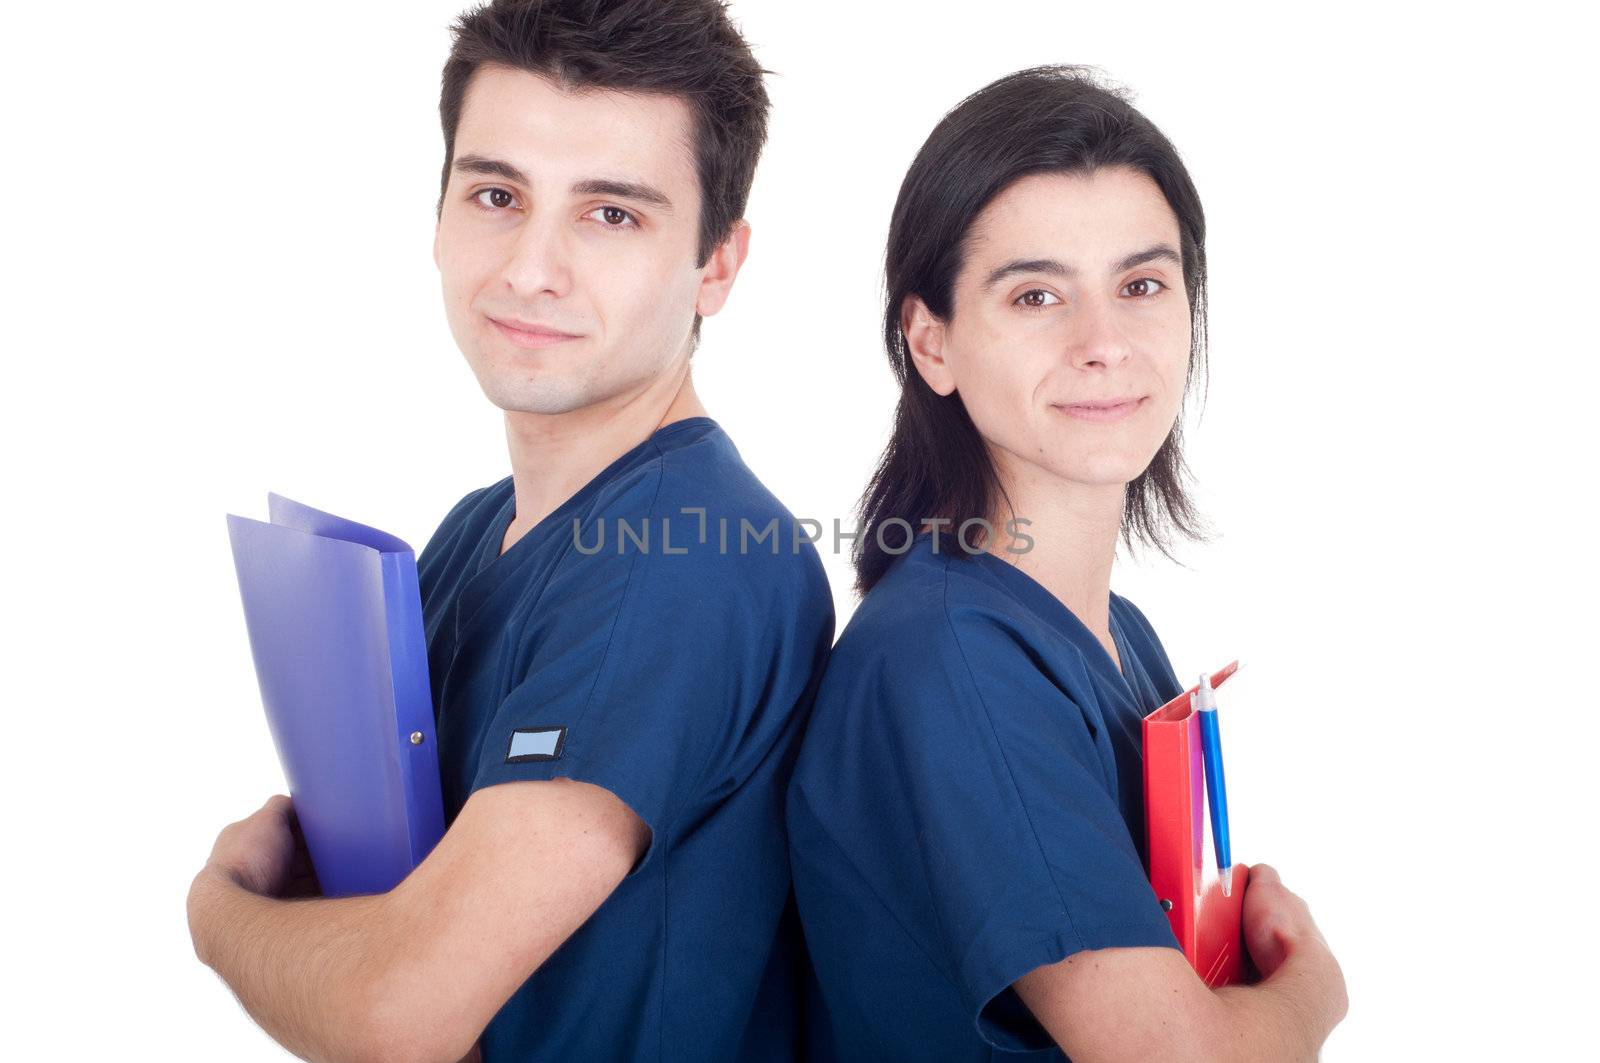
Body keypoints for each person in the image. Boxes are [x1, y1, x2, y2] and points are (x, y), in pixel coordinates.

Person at [187, 3, 834, 1060]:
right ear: (437, 214)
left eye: (611, 215)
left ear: (718, 263)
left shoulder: (682, 560)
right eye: (497, 194)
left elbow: (397, 1013)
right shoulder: (477, 532)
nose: (531, 268)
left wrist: (219, 912)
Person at [786, 66, 1347, 1060]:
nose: (1103, 342)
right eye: (1036, 294)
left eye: (1140, 285)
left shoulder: (1113, 631)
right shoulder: (956, 662)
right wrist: (1312, 992)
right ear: (932, 344)